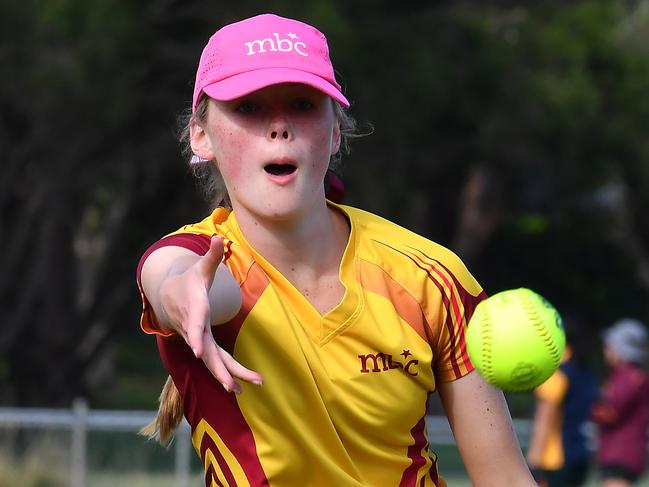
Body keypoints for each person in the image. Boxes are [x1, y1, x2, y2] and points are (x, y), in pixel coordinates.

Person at [136, 13, 536, 486]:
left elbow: (505, 479)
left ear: (335, 132)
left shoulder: (430, 278)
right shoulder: (196, 257)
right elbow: (179, 278)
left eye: (303, 104)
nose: (279, 127)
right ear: (201, 136)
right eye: (248, 108)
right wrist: (182, 296)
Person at [526, 314, 599, 487]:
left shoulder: (557, 374)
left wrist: (533, 460)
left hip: (555, 460)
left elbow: (545, 419)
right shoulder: (587, 373)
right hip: (581, 455)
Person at [592, 318, 649, 487]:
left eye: (610, 346)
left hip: (621, 454)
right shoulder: (629, 376)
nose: (606, 350)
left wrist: (590, 407)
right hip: (622, 454)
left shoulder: (629, 377)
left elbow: (610, 413)